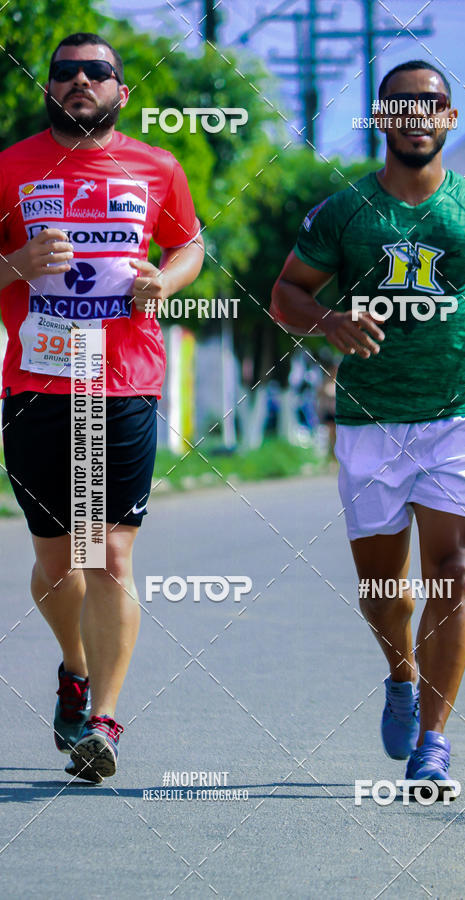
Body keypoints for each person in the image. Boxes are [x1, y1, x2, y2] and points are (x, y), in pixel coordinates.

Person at [271, 60, 465, 795]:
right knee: (382, 587)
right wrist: (330, 320)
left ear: (449, 118)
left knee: (453, 574)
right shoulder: (344, 213)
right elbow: (285, 294)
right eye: (397, 104)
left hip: (462, 415)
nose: (413, 115)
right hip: (371, 421)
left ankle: (435, 738)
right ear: (380, 118)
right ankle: (400, 675)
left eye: (428, 104)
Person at [0, 33, 204, 782]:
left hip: (123, 381)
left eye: (97, 72)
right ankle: (75, 668)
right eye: (65, 73)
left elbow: (190, 245)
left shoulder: (157, 166)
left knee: (110, 556)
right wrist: (14, 265)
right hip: (36, 385)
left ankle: (104, 720)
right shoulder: (10, 167)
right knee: (59, 564)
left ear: (122, 89)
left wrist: (169, 279)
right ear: (48, 87)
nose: (79, 81)